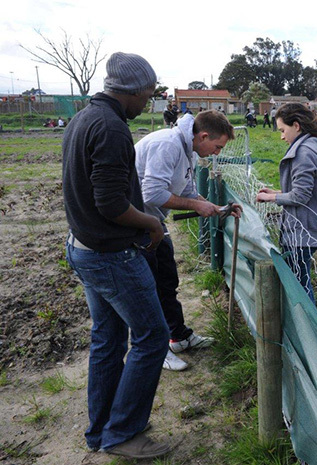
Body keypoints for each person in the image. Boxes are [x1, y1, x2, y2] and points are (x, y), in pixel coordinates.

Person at [62, 52, 172, 459]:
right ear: (134, 90)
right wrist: (151, 223)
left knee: (108, 339)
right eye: (149, 93)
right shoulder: (111, 128)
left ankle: (101, 430)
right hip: (111, 256)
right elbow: (110, 203)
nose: (150, 102)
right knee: (152, 337)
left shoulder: (84, 118)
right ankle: (123, 433)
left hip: (84, 248)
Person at [135, 110, 241, 371]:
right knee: (147, 289)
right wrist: (195, 204)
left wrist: (214, 207)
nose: (217, 153)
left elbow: (186, 191)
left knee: (167, 281)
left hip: (154, 223)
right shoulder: (167, 145)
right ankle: (157, 350)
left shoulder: (188, 150)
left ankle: (179, 337)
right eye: (217, 146)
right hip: (135, 224)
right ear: (203, 136)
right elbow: (152, 193)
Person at [256, 103, 317, 303]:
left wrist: (271, 197)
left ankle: (308, 328)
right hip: (315, 224)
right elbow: (308, 192)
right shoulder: (316, 145)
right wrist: (278, 192)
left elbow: (300, 197)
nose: (281, 136)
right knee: (302, 278)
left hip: (302, 230)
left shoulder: (303, 153)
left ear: (296, 125)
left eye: (282, 130)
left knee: (300, 284)